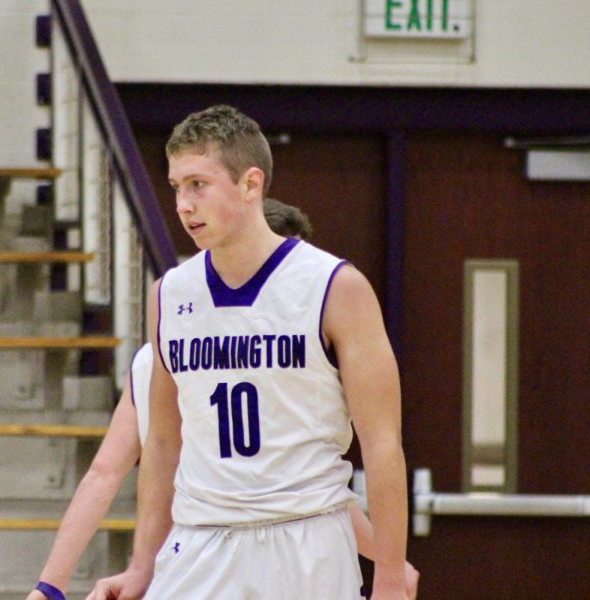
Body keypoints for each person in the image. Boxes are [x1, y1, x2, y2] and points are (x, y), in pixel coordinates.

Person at [85, 105, 409, 599]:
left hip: (306, 539)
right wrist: (141, 565)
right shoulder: (169, 293)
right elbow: (165, 445)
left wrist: (388, 576)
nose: (183, 204)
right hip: (199, 540)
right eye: (176, 187)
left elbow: (382, 443)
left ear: (250, 184)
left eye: (198, 184)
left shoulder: (335, 286)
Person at [28, 198, 417, 599]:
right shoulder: (161, 354)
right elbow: (112, 470)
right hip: (207, 542)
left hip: (214, 548)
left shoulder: (178, 349)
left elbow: (104, 473)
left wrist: (51, 585)